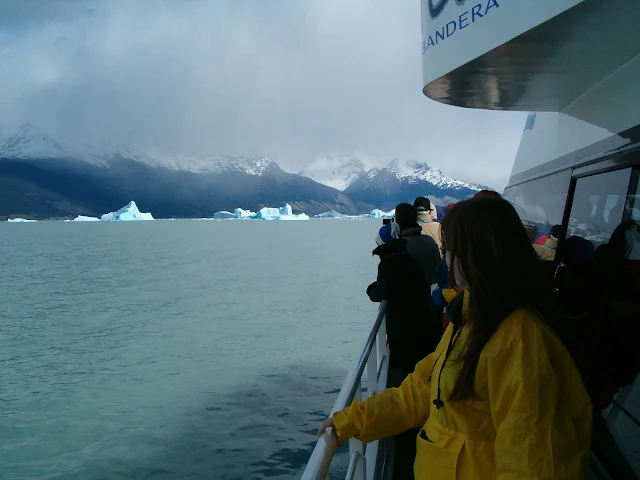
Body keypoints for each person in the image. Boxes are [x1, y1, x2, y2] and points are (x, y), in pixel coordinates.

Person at [319, 197, 592, 479]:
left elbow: (535, 464)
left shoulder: (523, 345)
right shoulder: (473, 317)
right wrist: (351, 420)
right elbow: (422, 390)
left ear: (477, 254)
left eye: (449, 249)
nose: (446, 258)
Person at [366, 222, 433, 377]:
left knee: (409, 369)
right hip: (420, 320)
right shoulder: (407, 258)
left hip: (404, 327)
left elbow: (384, 290)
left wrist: (371, 289)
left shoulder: (389, 264)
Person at [393, 203, 441, 296]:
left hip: (407, 299)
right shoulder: (429, 241)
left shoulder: (399, 247)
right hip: (431, 298)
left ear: (397, 221)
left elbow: (389, 281)